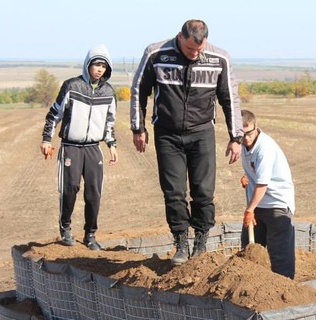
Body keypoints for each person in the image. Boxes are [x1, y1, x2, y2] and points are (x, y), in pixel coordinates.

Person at [130, 19, 243, 266]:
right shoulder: (156, 54)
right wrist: (138, 128)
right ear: (180, 37)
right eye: (191, 49)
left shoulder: (218, 58)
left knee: (203, 191)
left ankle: (200, 242)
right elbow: (139, 90)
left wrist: (236, 137)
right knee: (174, 192)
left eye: (199, 50)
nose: (195, 54)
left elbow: (230, 98)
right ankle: (181, 242)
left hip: (202, 132)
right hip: (167, 134)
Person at [40, 44, 118, 251]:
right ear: (88, 65)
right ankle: (65, 228)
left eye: (103, 65)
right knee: (70, 188)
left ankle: (90, 235)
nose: (99, 69)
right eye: (96, 64)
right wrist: (46, 140)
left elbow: (110, 120)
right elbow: (54, 114)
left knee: (94, 192)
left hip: (93, 148)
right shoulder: (72, 86)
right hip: (70, 147)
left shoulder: (109, 91)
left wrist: (111, 144)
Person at [239, 110, 296, 279]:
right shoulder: (243, 143)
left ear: (256, 126)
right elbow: (256, 171)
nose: (246, 138)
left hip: (276, 203)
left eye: (249, 133)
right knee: (249, 249)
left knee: (279, 254)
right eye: (241, 135)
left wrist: (250, 209)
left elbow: (263, 184)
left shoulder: (265, 147)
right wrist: (248, 174)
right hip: (259, 203)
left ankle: (284, 291)